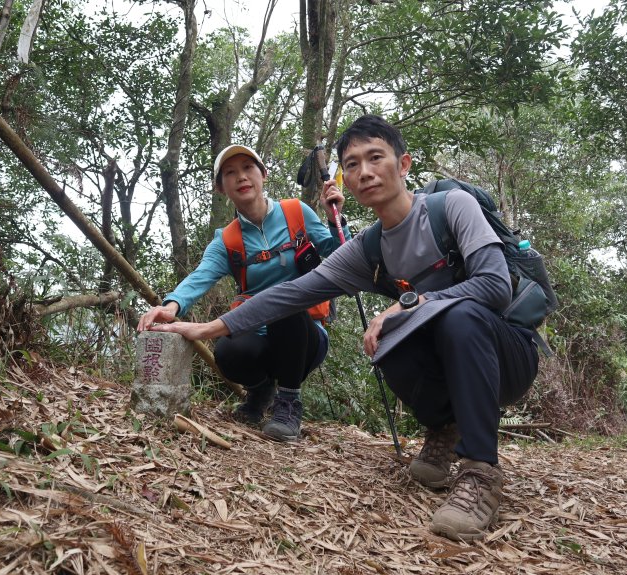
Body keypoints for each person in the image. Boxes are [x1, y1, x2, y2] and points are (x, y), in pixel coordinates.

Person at [146, 116, 540, 542]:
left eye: (376, 158)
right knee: (389, 340)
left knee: (450, 318)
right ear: (346, 181)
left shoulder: (450, 208)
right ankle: (444, 429)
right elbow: (291, 293)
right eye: (352, 165)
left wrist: (406, 304)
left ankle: (480, 473)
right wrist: (207, 327)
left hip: (505, 355)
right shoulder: (368, 248)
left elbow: (495, 286)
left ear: (403, 164)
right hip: (448, 361)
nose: (365, 172)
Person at [137, 144, 348, 442]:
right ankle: (261, 391)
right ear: (221, 188)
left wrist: (334, 217)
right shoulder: (228, 240)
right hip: (257, 337)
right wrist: (171, 306)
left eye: (248, 168)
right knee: (229, 352)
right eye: (230, 173)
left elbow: (344, 256)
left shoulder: (296, 213)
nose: (241, 177)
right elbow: (201, 275)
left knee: (284, 307)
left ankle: (288, 404)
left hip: (305, 338)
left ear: (263, 174)